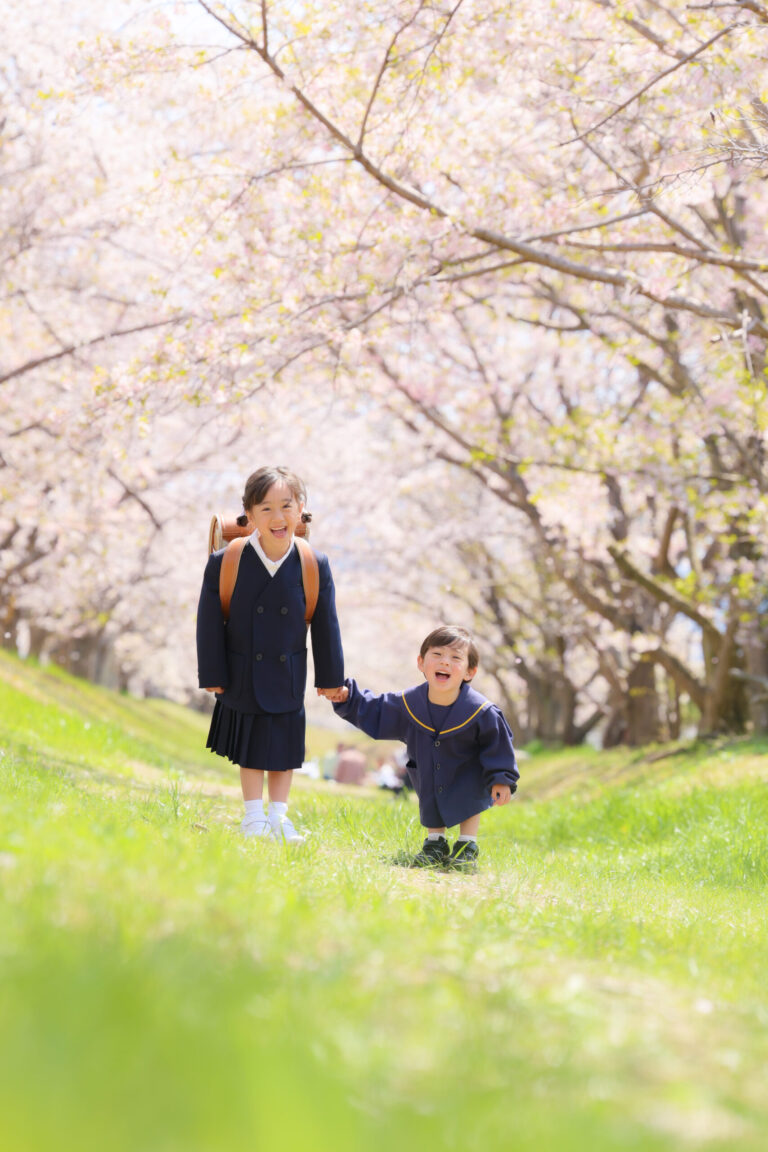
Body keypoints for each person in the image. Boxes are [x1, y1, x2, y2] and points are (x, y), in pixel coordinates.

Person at [196, 466, 344, 843]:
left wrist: (330, 679)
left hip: (289, 670)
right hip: (242, 668)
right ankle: (252, 815)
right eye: (266, 509)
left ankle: (279, 816)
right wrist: (213, 673)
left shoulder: (313, 564)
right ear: (249, 513)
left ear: (301, 509)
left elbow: (326, 625)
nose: (278, 518)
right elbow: (209, 623)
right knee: (251, 746)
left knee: (283, 747)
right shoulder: (227, 561)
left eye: (286, 506)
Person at [326, 624, 518, 871]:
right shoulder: (408, 703)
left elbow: (498, 746)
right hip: (427, 766)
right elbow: (376, 709)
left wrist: (501, 779)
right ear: (421, 662)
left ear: (470, 672)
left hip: (468, 771)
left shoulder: (482, 712)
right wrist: (347, 697)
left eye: (456, 658)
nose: (445, 662)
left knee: (469, 793)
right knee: (430, 795)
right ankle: (434, 843)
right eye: (437, 655)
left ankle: (467, 845)